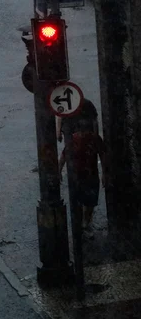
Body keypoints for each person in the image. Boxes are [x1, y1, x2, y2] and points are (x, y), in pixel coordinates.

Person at [57, 99, 106, 233]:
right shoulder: (82, 139)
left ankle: (84, 222)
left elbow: (63, 156)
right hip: (84, 173)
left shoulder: (83, 139)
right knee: (85, 200)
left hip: (82, 173)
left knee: (86, 200)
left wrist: (59, 170)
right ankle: (84, 222)